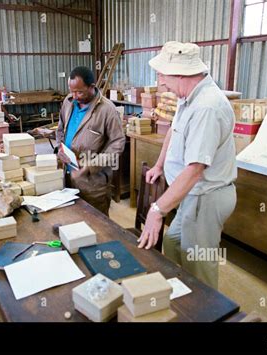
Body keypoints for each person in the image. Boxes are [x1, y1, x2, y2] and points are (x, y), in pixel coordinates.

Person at [137, 42, 237, 289]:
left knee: (198, 263)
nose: (161, 83)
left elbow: (194, 170)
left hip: (206, 196)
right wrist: (160, 165)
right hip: (192, 194)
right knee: (172, 242)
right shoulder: (188, 96)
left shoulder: (207, 107)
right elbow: (174, 128)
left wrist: (157, 210)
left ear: (180, 73)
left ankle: (204, 308)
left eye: (162, 75)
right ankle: (180, 294)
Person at [56, 66, 125, 216]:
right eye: (71, 91)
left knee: (96, 228)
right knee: (71, 223)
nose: (74, 96)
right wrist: (59, 149)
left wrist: (91, 165)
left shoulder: (107, 110)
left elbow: (117, 144)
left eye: (79, 92)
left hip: (93, 184)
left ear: (92, 87)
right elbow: (60, 129)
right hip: (66, 178)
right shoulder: (68, 103)